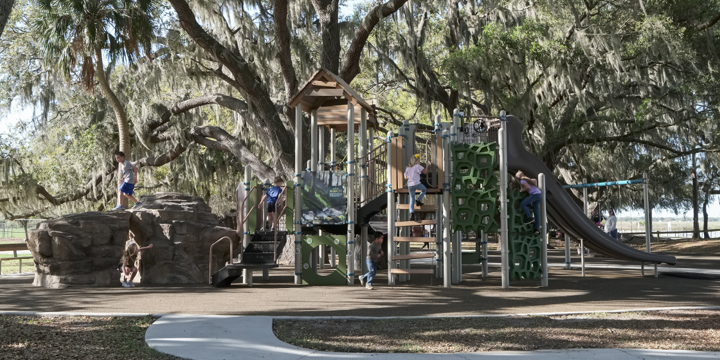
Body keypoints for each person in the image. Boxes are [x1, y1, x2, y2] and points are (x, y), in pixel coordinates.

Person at [404, 154, 430, 221]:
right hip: (416, 183)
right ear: (415, 161)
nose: (420, 162)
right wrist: (427, 166)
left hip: (410, 185)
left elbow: (405, 177)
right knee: (424, 189)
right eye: (419, 161)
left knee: (411, 199)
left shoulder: (408, 168)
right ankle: (418, 200)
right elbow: (425, 172)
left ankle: (411, 213)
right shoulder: (417, 166)